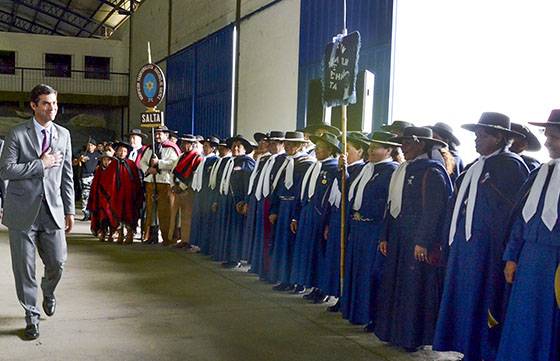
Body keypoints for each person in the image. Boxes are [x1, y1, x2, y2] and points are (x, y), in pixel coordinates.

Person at [434, 112, 529, 361]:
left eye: (482, 135)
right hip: (464, 247)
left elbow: (513, 212)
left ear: (499, 137)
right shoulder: (473, 168)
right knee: (465, 298)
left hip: (488, 250)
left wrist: (506, 251)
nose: (476, 140)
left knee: (484, 298)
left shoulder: (511, 166)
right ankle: (468, 349)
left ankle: (484, 351)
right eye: (476, 135)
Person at [0, 84, 75, 340]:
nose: (52, 108)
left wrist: (69, 209)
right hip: (22, 212)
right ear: (33, 106)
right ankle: (31, 315)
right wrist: (39, 165)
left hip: (52, 211)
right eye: (45, 103)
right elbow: (6, 170)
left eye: (54, 103)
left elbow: (67, 175)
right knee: (25, 269)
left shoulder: (64, 135)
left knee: (57, 263)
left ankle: (48, 291)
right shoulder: (17, 134)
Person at [374, 126, 453, 351]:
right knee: (396, 284)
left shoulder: (432, 172)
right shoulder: (404, 169)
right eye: (402, 143)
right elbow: (392, 205)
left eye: (408, 143)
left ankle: (412, 336)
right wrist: (386, 235)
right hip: (399, 235)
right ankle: (394, 331)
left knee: (414, 288)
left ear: (421, 144)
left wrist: (424, 241)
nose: (404, 147)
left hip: (416, 238)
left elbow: (434, 211)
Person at [496, 109, 560, 361]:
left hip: (555, 263)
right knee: (524, 319)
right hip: (529, 259)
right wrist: (512, 257)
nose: (546, 142)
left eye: (553, 136)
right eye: (547, 135)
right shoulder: (538, 174)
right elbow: (521, 221)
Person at [340, 131, 401, 329]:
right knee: (356, 270)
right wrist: (343, 172)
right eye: (370, 147)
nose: (371, 151)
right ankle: (354, 310)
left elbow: (387, 202)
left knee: (369, 272)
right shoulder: (367, 169)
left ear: (389, 150)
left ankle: (371, 315)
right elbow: (349, 191)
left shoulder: (391, 171)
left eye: (376, 148)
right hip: (359, 227)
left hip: (373, 228)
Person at [291, 131, 341, 300]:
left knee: (320, 252)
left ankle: (322, 288)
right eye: (317, 147)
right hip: (307, 212)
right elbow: (302, 191)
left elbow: (333, 199)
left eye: (321, 148)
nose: (317, 151)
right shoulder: (314, 166)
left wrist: (326, 221)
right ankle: (310, 283)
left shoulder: (334, 169)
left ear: (330, 150)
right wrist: (296, 215)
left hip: (320, 216)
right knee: (308, 251)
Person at [319, 133, 367, 306]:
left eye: (348, 150)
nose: (344, 154)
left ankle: (344, 296)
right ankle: (335, 293)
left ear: (360, 152)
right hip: (336, 216)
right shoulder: (342, 169)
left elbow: (347, 194)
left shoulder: (361, 171)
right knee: (333, 257)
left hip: (348, 219)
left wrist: (344, 172)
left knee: (344, 259)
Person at [269, 131, 314, 290]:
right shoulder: (281, 161)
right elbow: (276, 186)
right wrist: (274, 209)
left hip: (295, 207)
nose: (288, 146)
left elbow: (304, 190)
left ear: (301, 146)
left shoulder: (308, 163)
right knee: (282, 244)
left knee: (294, 245)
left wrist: (297, 214)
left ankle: (297, 281)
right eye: (286, 143)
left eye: (293, 144)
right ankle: (284, 278)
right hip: (282, 206)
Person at [251, 131, 287, 280]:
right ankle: (262, 268)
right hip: (264, 199)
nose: (271, 146)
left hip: (274, 201)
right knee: (262, 236)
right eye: (270, 143)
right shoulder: (268, 159)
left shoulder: (284, 160)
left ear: (282, 144)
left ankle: (271, 271)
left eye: (275, 143)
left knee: (271, 238)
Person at [215, 135, 255, 267]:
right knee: (229, 229)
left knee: (237, 231)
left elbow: (248, 184)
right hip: (227, 200)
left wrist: (245, 202)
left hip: (238, 202)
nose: (235, 148)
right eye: (233, 146)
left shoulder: (247, 162)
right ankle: (228, 255)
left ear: (245, 149)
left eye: (239, 146)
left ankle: (236, 258)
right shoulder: (230, 162)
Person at [139, 126, 181, 245]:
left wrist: (159, 164)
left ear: (166, 135)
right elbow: (142, 162)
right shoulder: (149, 148)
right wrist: (148, 169)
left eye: (160, 134)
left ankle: (168, 238)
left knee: (165, 212)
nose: (157, 136)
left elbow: (174, 163)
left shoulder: (171, 148)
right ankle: (152, 235)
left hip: (165, 183)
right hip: (151, 182)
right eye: (156, 134)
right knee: (151, 211)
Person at [169, 134, 202, 249]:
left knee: (188, 216)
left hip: (188, 191)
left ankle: (188, 241)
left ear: (192, 145)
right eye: (182, 143)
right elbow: (173, 170)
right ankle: (182, 239)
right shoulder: (181, 156)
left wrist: (182, 186)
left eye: (185, 143)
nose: (183, 145)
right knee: (180, 217)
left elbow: (193, 175)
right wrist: (173, 184)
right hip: (177, 190)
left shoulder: (197, 158)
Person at [189, 136, 220, 253]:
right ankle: (196, 242)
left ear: (213, 148)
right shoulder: (203, 159)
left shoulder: (214, 161)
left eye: (206, 146)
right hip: (199, 192)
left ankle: (204, 245)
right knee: (198, 217)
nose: (204, 148)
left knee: (205, 219)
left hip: (207, 193)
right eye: (204, 146)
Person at [111, 142, 144, 244]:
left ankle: (130, 234)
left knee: (129, 214)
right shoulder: (112, 164)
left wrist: (137, 193)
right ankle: (120, 234)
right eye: (120, 150)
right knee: (117, 214)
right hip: (116, 194)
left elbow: (136, 180)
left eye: (124, 151)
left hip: (129, 195)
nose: (122, 153)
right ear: (116, 152)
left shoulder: (131, 164)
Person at [87, 152, 116, 241]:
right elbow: (95, 184)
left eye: (109, 160)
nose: (106, 162)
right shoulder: (99, 170)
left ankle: (112, 233)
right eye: (105, 160)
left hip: (111, 198)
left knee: (112, 216)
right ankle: (102, 231)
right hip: (100, 197)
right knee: (102, 216)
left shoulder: (114, 170)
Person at [77, 137, 101, 220]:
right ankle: (86, 213)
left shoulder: (98, 155)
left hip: (94, 177)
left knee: (94, 195)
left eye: (92, 145)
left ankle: (92, 213)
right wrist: (80, 159)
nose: (90, 147)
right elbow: (78, 162)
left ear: (95, 146)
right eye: (89, 145)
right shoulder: (83, 153)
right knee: (85, 195)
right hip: (85, 176)